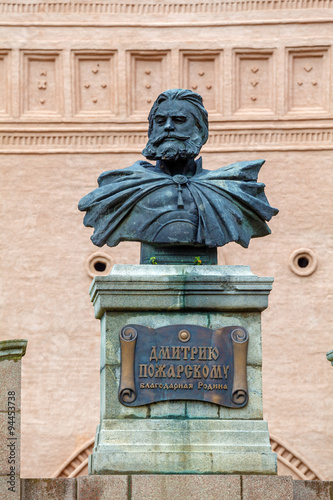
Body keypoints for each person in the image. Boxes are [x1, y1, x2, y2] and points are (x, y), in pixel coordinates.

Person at [79, 89, 278, 249]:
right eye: (160, 121)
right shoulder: (121, 187)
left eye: (179, 120)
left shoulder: (232, 190)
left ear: (200, 129)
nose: (167, 127)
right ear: (151, 130)